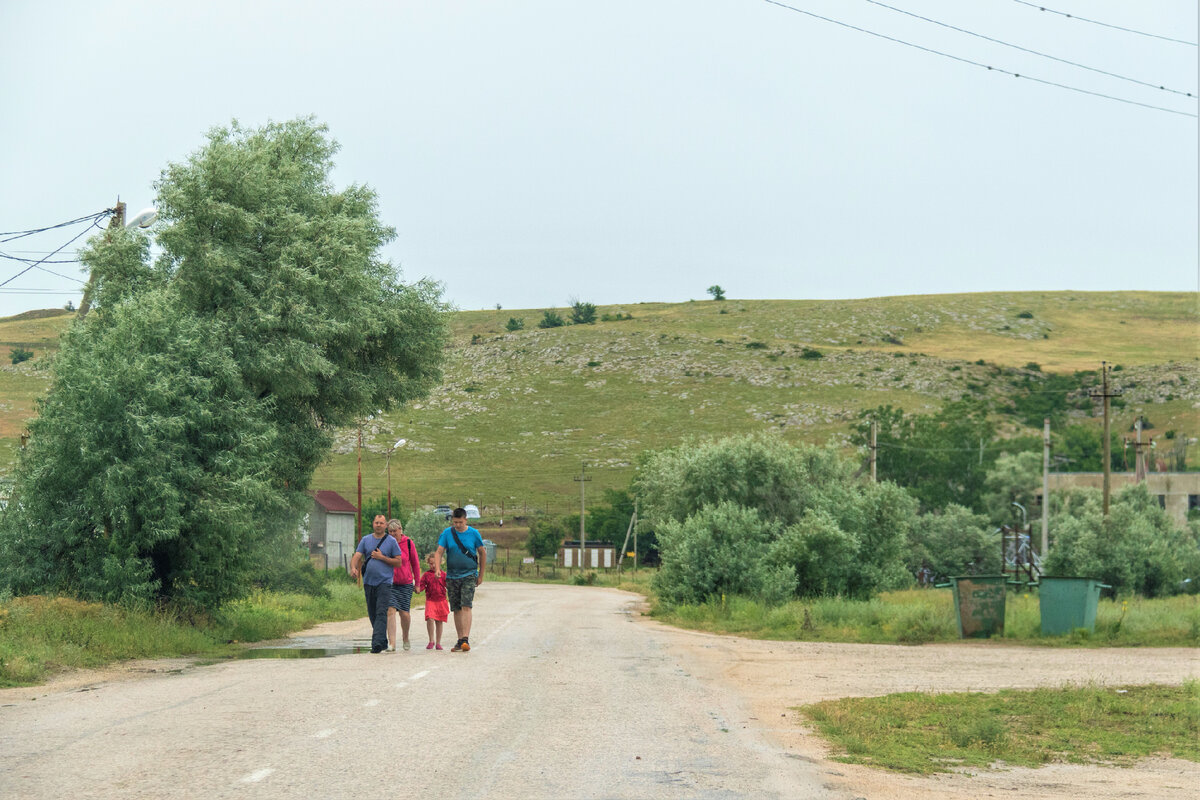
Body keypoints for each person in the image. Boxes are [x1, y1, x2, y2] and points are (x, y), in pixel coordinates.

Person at [433, 507, 486, 652]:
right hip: (452, 575)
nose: (457, 525)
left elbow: (482, 552)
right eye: (455, 522)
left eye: (460, 522)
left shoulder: (474, 534)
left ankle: (465, 639)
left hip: (469, 574)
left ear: (466, 520)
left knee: (466, 605)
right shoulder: (447, 533)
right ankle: (460, 639)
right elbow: (439, 552)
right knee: (456, 608)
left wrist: (480, 574)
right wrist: (437, 568)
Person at [350, 514, 403, 653]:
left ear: (385, 525)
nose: (378, 525)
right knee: (372, 613)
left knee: (381, 611)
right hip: (368, 582)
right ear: (373, 524)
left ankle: (377, 643)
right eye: (376, 522)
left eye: (381, 523)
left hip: (384, 582)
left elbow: (398, 562)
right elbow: (357, 556)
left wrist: (382, 557)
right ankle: (382, 641)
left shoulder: (391, 541)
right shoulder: (366, 540)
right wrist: (353, 567)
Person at [386, 519, 422, 651]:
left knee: (404, 613)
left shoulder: (408, 543)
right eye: (390, 531)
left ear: (400, 530)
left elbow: (415, 563)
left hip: (405, 583)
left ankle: (405, 637)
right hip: (390, 583)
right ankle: (392, 643)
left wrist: (417, 583)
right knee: (390, 610)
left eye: (395, 531)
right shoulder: (386, 543)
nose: (393, 534)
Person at [417, 551, 448, 650]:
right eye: (431, 563)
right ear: (428, 563)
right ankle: (431, 640)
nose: (433, 565)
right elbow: (421, 586)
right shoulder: (426, 575)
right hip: (430, 600)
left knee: (439, 621)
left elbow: (449, 586)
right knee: (430, 618)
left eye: (435, 563)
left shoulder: (444, 575)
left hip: (441, 600)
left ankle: (438, 642)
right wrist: (417, 589)